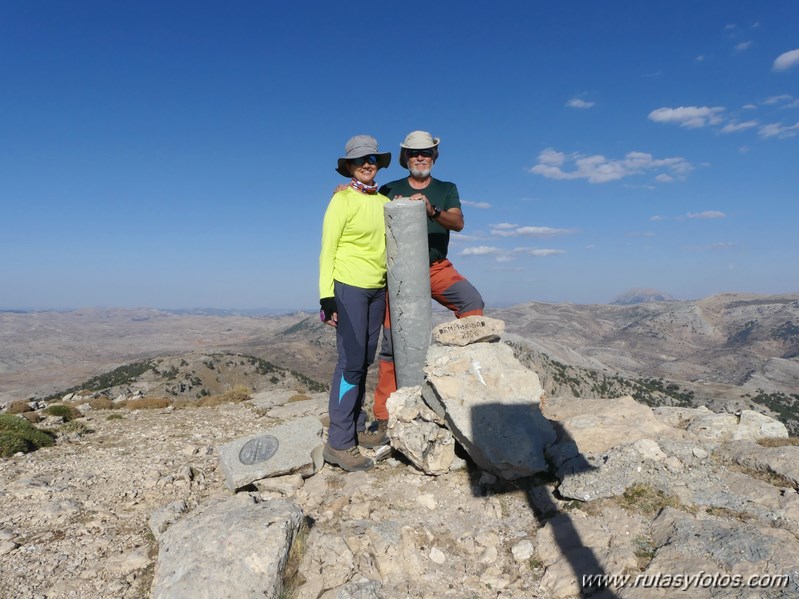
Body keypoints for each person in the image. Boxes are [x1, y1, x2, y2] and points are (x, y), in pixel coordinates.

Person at [368, 130, 484, 443]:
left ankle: (460, 380)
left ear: (434, 157)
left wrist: (431, 210)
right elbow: (366, 207)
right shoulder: (390, 188)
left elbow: (458, 222)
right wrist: (348, 190)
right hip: (399, 274)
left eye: (427, 153)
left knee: (471, 302)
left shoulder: (446, 189)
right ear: (406, 158)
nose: (421, 158)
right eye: (415, 153)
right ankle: (383, 417)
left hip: (434, 267)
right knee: (392, 343)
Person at [319, 135, 391, 472]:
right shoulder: (341, 200)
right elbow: (327, 249)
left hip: (377, 289)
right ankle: (339, 442)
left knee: (363, 360)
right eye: (360, 160)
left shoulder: (383, 201)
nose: (366, 164)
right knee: (350, 362)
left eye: (372, 159)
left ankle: (356, 427)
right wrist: (326, 296)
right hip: (349, 288)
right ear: (349, 166)